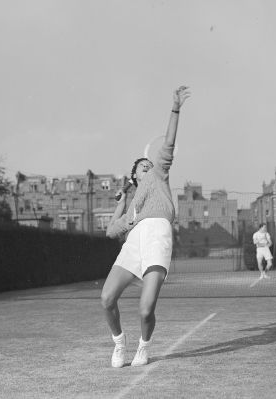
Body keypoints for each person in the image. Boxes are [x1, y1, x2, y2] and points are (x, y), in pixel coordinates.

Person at [101, 85, 190, 368]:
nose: (148, 166)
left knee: (145, 308)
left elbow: (169, 145)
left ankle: (143, 346)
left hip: (158, 238)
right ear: (135, 176)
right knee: (106, 298)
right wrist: (122, 200)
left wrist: (175, 108)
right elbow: (111, 230)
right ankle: (119, 344)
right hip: (135, 243)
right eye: (142, 166)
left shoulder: (158, 175)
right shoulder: (133, 207)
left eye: (149, 164)